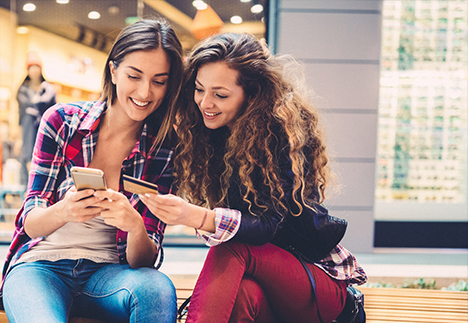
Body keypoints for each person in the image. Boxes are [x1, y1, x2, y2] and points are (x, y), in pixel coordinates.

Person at [140, 33, 367, 323]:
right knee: (241, 296)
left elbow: (268, 226)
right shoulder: (211, 136)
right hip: (266, 289)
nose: (205, 103)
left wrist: (197, 217)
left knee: (232, 246)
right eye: (199, 89)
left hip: (318, 287)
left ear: (252, 93)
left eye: (220, 95)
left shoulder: (278, 134)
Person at [0, 19, 184, 323]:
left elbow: (146, 260)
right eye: (134, 75)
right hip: (41, 268)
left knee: (157, 288)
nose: (145, 92)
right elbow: (30, 222)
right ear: (113, 70)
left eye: (159, 81)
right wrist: (64, 211)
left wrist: (135, 226)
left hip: (110, 274)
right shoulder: (61, 122)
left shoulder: (165, 149)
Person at [16, 52, 56, 186]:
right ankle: (29, 188)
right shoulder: (22, 90)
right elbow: (21, 115)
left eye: (36, 67)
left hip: (45, 129)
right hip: (28, 131)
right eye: (31, 68)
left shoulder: (48, 90)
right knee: (27, 157)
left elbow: (54, 112)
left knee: (45, 156)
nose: (34, 71)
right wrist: (18, 138)